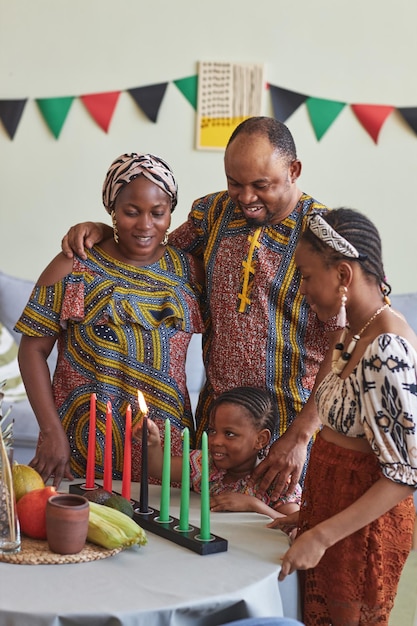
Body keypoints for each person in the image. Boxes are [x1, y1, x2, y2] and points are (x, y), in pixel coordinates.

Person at [61, 117, 338, 497]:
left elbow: (349, 338)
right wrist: (107, 229)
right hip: (216, 430)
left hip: (289, 429)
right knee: (211, 537)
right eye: (234, 183)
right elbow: (153, 252)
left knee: (276, 539)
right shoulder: (212, 214)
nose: (245, 197)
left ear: (294, 171)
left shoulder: (324, 235)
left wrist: (301, 435)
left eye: (261, 185)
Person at [15, 153, 204, 488]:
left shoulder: (190, 271)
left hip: (164, 451)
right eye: (131, 212)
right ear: (112, 211)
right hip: (78, 444)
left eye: (157, 213)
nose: (145, 225)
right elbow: (31, 351)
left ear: (170, 213)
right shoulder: (74, 265)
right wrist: (51, 431)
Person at [274, 208, 417, 626]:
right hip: (334, 515)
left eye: (305, 275)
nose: (302, 289)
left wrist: (322, 534)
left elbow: (405, 473)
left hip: (361, 535)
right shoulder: (350, 332)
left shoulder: (387, 349)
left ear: (342, 275)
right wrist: (312, 514)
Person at [143, 386, 301, 519]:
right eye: (212, 431)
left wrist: (253, 505)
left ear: (261, 439)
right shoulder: (204, 463)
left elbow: (294, 527)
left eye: (229, 434)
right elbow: (160, 468)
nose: (215, 441)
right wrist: (153, 443)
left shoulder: (276, 480)